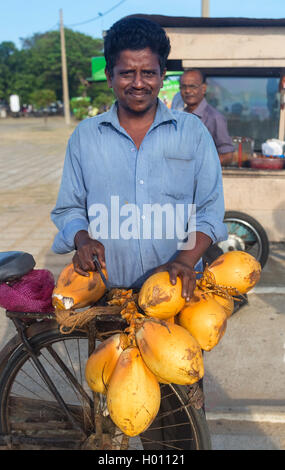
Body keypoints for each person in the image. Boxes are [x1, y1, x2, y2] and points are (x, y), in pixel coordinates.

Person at [51, 17, 227, 305]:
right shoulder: (85, 136)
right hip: (106, 291)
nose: (138, 83)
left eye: (148, 72)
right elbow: (69, 208)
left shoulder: (192, 132)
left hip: (175, 290)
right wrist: (82, 239)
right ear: (109, 76)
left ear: (162, 75)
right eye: (126, 73)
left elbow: (209, 210)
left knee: (178, 353)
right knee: (110, 353)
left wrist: (185, 260)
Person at [171, 69, 234, 166]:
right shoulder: (179, 116)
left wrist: (201, 168)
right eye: (183, 87)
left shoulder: (215, 118)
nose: (187, 91)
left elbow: (227, 155)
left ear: (204, 88)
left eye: (192, 86)